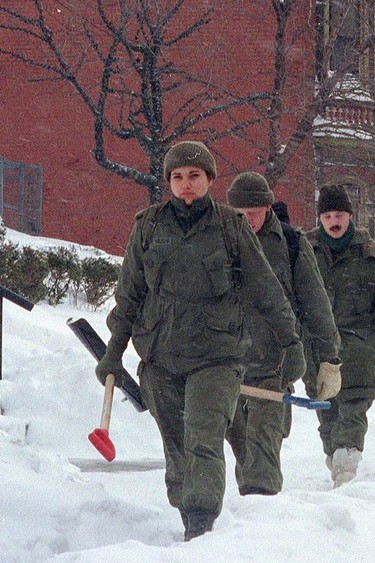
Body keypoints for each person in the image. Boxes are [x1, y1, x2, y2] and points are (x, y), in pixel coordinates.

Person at [95, 141, 306, 541]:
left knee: (204, 439)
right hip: (161, 356)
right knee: (177, 448)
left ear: (209, 179)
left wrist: (290, 343)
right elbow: (129, 297)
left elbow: (266, 290)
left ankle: (201, 523)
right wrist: (113, 353)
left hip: (217, 357)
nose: (186, 184)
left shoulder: (231, 226)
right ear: (169, 183)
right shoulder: (148, 226)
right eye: (177, 177)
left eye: (194, 176)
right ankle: (188, 511)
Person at [226, 172, 341, 496]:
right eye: (240, 215)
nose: (247, 221)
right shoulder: (217, 241)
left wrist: (329, 359)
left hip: (272, 362)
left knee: (263, 444)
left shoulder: (290, 244)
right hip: (226, 363)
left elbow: (315, 303)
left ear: (267, 207)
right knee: (243, 445)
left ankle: (261, 511)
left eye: (254, 213)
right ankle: (249, 511)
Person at [304, 184, 375, 488]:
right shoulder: (305, 253)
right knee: (327, 418)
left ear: (350, 216)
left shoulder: (369, 255)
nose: (334, 221)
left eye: (340, 215)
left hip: (359, 352)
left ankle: (346, 472)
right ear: (320, 218)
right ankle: (337, 463)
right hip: (318, 353)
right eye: (328, 215)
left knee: (352, 414)